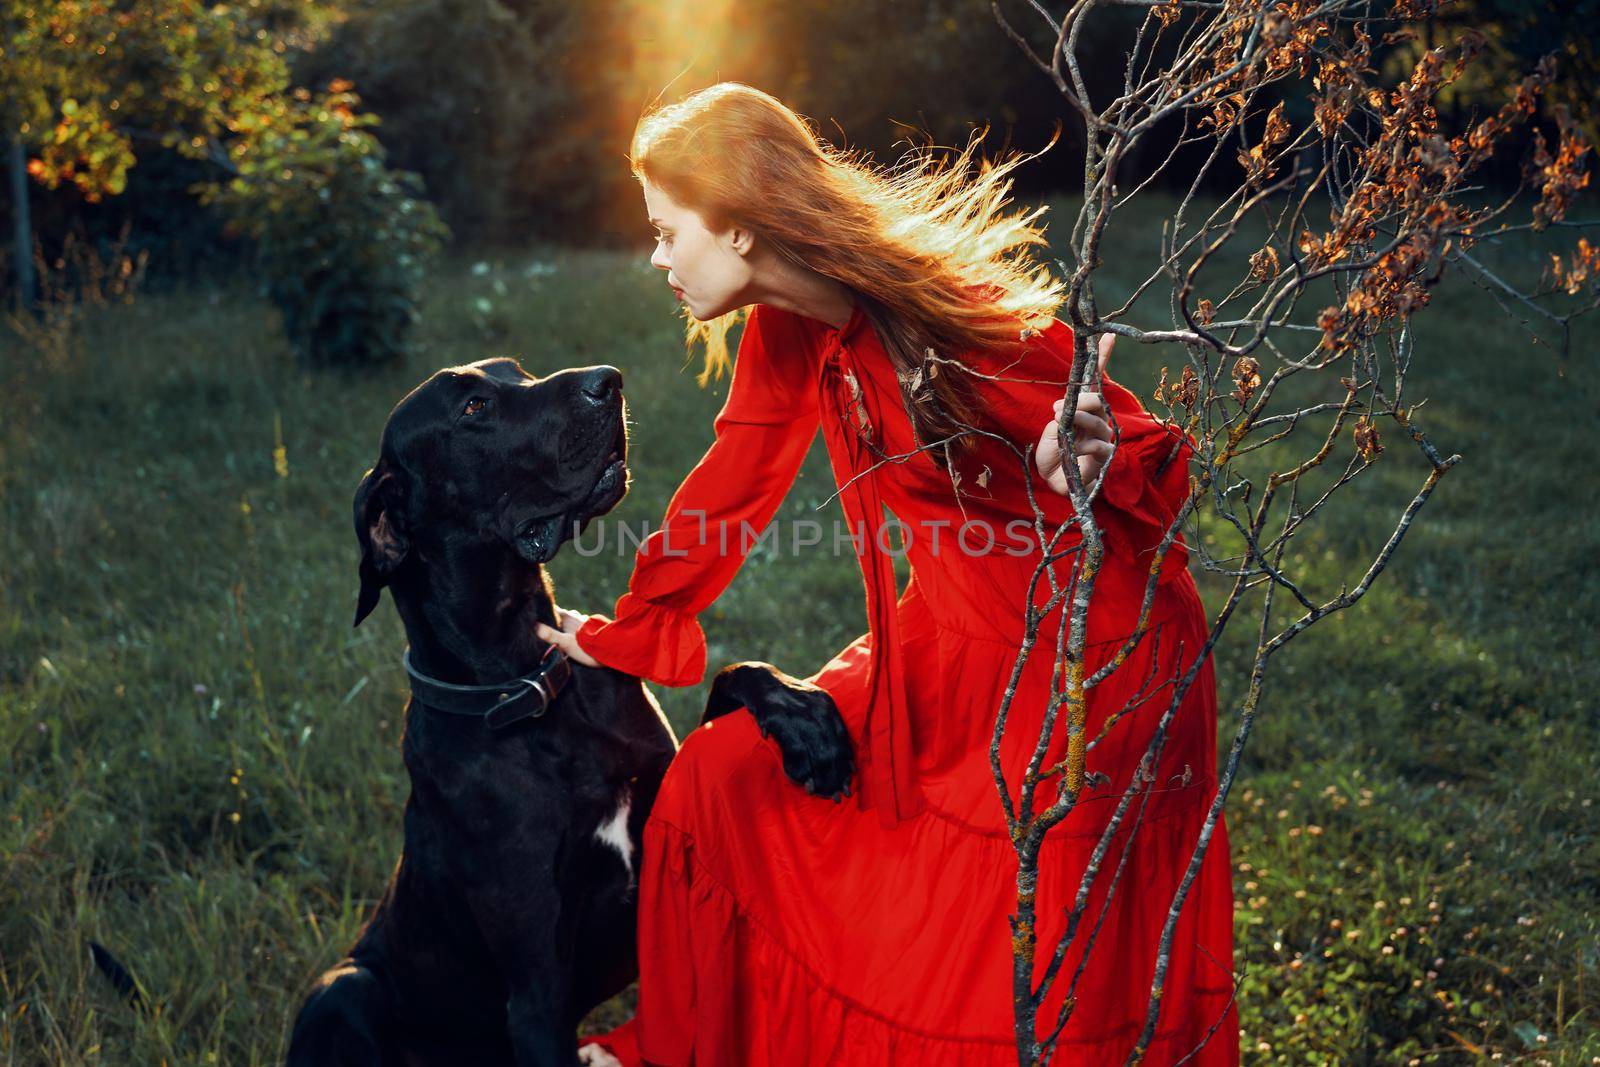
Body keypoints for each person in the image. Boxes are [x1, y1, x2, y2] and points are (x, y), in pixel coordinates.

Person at [540, 82, 1239, 1066]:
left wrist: (1087, 460)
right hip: (948, 634)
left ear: (737, 226)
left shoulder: (938, 320)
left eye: (665, 229)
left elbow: (1132, 443)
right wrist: (631, 623)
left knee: (1001, 968)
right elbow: (729, 488)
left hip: (1087, 655)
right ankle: (682, 1046)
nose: (655, 256)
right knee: (718, 777)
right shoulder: (788, 328)